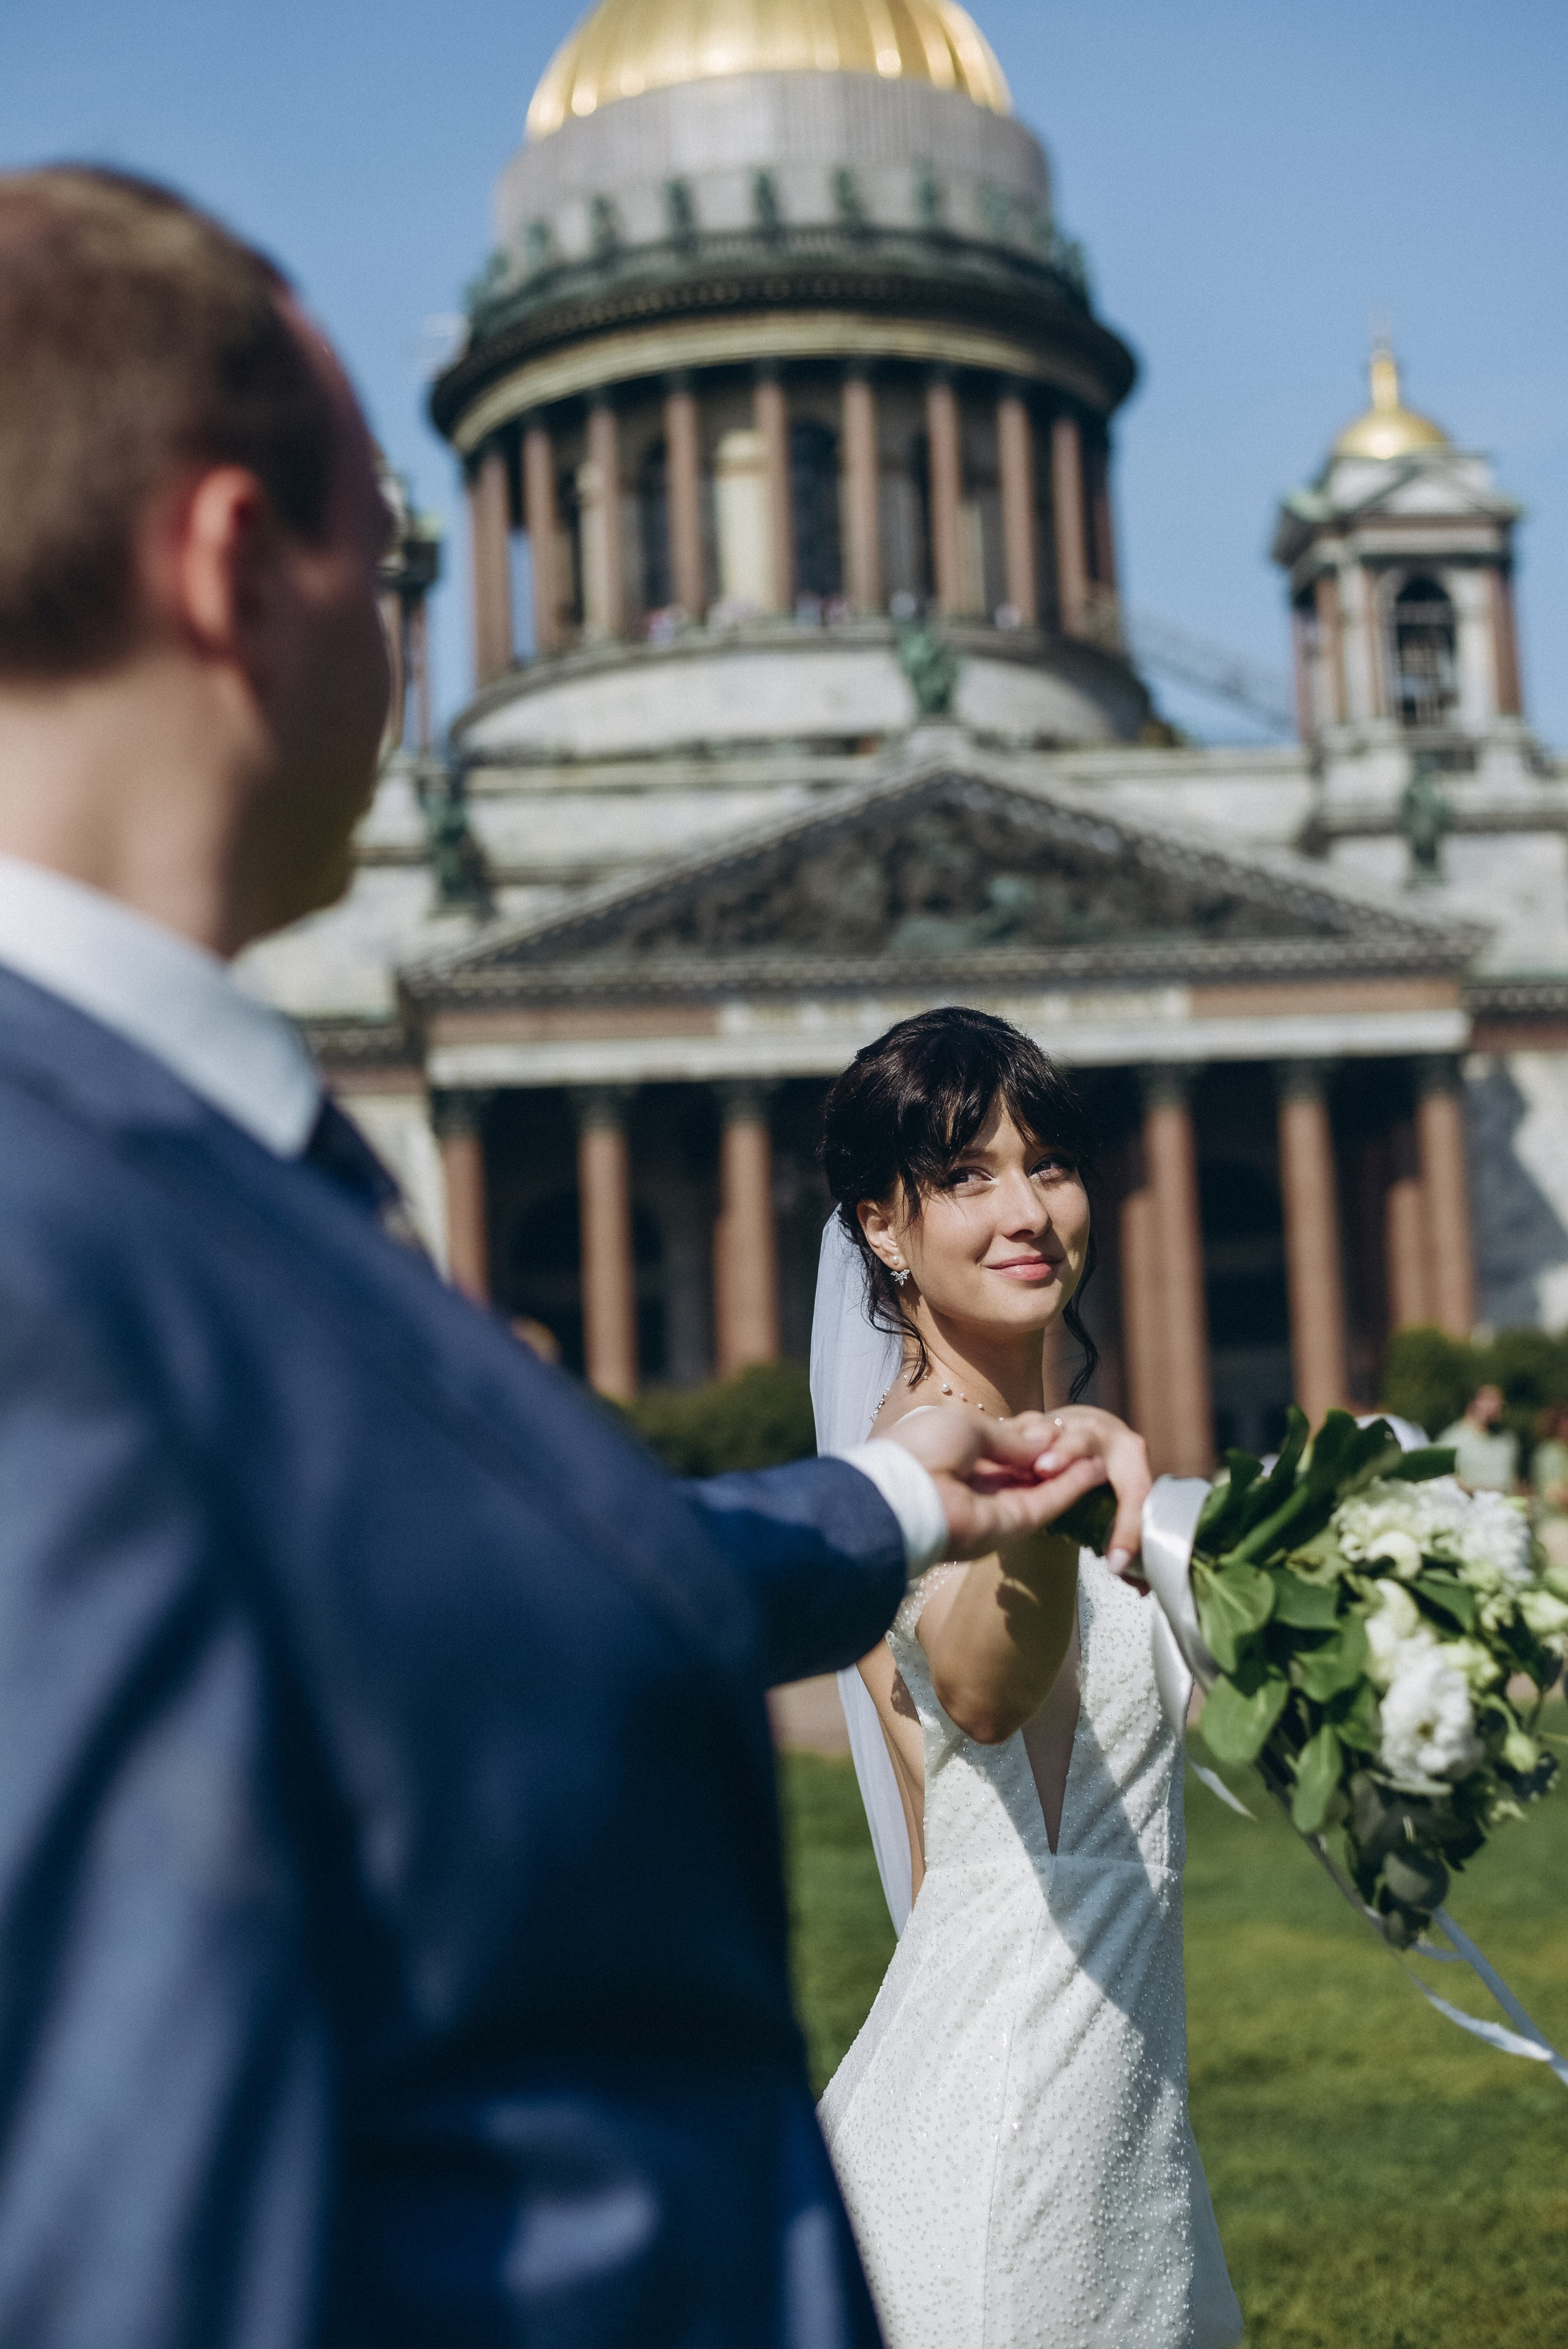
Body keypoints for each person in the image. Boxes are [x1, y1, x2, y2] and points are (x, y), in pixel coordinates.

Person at [0, 168, 1155, 2348]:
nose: (407, 647)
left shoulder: (176, 1143)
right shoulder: (53, 1221)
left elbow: (455, 1592)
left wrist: (897, 1493)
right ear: (236, 566)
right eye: (388, 562)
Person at [812, 1008, 1242, 2349]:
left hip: (1116, 2130)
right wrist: (1043, 1503)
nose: (1027, 1211)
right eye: (965, 1176)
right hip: (1006, 2148)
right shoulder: (921, 1462)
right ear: (882, 1227)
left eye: (1047, 1163)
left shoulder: (1029, 1446)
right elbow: (982, 1687)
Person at [1438, 1383, 1519, 1492]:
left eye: (1500, 1401)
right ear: (1472, 1403)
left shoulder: (1507, 1440)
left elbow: (1512, 1480)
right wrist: (1480, 1491)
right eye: (1489, 1399)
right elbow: (1444, 1482)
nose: (1497, 1405)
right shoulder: (1451, 1440)